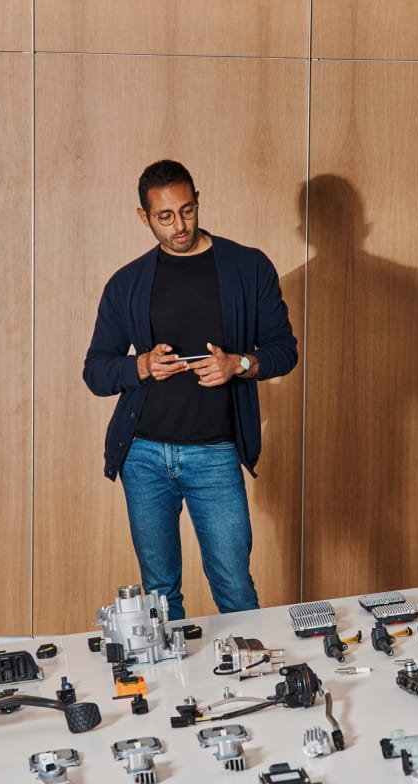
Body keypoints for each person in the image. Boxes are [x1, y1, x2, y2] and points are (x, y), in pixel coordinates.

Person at [83, 159, 298, 619]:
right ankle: (173, 689)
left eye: (187, 210)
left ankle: (253, 685)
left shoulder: (248, 267)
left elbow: (284, 350)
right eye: (165, 217)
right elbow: (96, 371)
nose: (179, 226)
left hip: (215, 453)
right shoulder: (127, 283)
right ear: (144, 217)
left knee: (236, 591)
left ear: (197, 201)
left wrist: (238, 364)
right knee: (160, 596)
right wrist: (140, 365)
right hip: (142, 456)